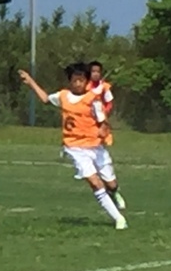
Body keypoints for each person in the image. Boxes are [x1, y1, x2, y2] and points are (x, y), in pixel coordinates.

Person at [18, 64, 127, 229]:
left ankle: (114, 192)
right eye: (74, 80)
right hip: (75, 148)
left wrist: (102, 131)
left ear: (86, 82)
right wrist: (31, 82)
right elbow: (46, 99)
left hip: (95, 147)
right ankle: (119, 219)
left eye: (81, 80)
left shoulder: (93, 100)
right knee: (95, 183)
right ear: (70, 81)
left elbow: (103, 122)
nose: (77, 83)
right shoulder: (63, 96)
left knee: (110, 183)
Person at [85, 60, 125, 209]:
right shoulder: (84, 87)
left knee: (102, 157)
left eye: (97, 71)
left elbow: (109, 103)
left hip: (100, 124)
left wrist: (103, 113)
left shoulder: (104, 87)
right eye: (93, 71)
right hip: (87, 124)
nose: (95, 74)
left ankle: (114, 191)